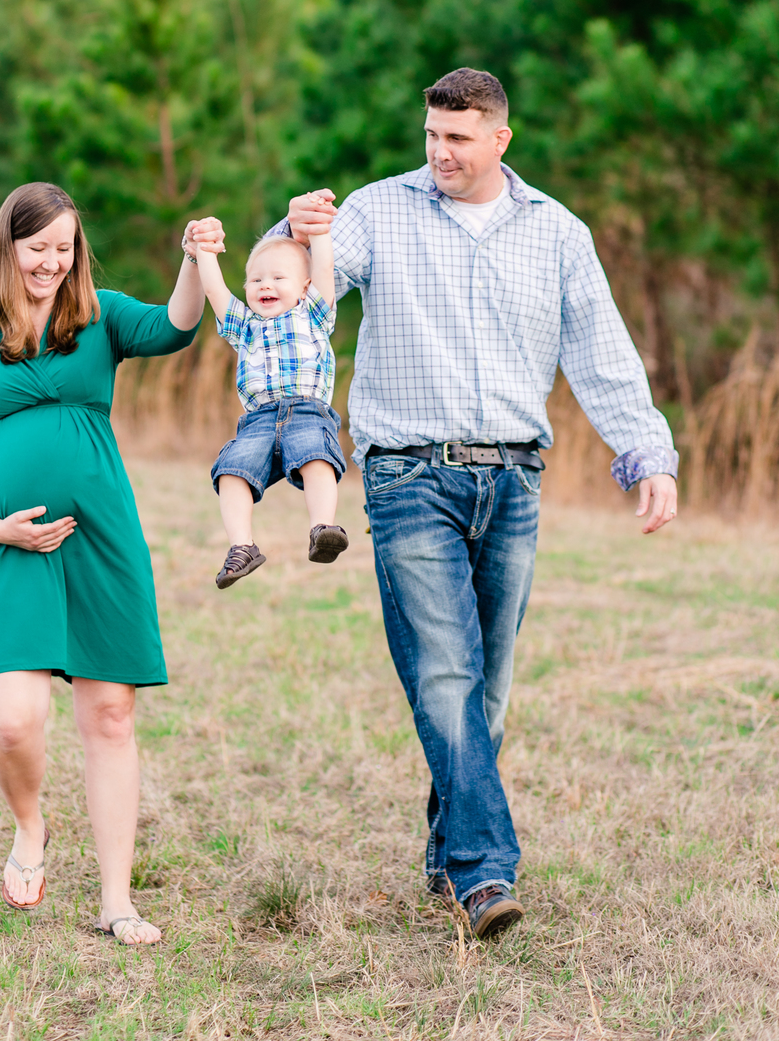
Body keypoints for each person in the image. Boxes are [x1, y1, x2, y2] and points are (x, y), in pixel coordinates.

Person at [276, 68, 679, 940]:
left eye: (458, 138)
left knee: (487, 689)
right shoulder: (379, 212)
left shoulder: (557, 233)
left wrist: (648, 453)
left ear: (500, 137)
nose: (440, 152)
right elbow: (300, 289)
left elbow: (602, 351)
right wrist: (295, 229)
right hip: (406, 475)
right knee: (445, 672)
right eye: (431, 134)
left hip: (515, 481)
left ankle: (444, 849)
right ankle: (485, 872)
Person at [0, 182, 205, 945]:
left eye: (63, 249)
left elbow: (179, 325)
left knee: (110, 716)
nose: (50, 263)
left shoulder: (102, 317)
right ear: (7, 248)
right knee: (14, 720)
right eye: (37, 248)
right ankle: (30, 827)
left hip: (101, 537)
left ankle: (117, 901)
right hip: (4, 543)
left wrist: (192, 258)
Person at [188, 212, 349, 587]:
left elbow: (324, 267)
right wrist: (205, 250)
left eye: (279, 278)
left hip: (308, 412)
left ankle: (322, 527)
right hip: (258, 421)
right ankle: (242, 547)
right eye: (256, 279)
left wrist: (320, 231)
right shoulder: (244, 327)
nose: (266, 285)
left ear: (304, 287)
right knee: (230, 470)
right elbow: (214, 290)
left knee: (316, 457)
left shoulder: (314, 314)